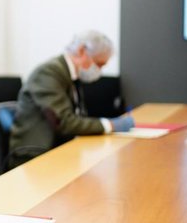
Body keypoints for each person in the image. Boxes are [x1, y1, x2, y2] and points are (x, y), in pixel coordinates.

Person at [9, 30, 134, 169]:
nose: (99, 70)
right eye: (98, 64)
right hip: (35, 157)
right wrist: (110, 125)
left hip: (59, 149)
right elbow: (65, 122)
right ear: (81, 51)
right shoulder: (48, 73)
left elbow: (78, 115)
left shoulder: (71, 74)